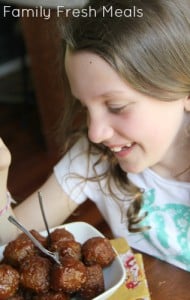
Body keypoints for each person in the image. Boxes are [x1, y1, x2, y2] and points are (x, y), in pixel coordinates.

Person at [1, 0, 190, 271]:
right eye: (83, 106)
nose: (95, 132)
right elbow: (10, 243)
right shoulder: (94, 158)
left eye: (116, 107)